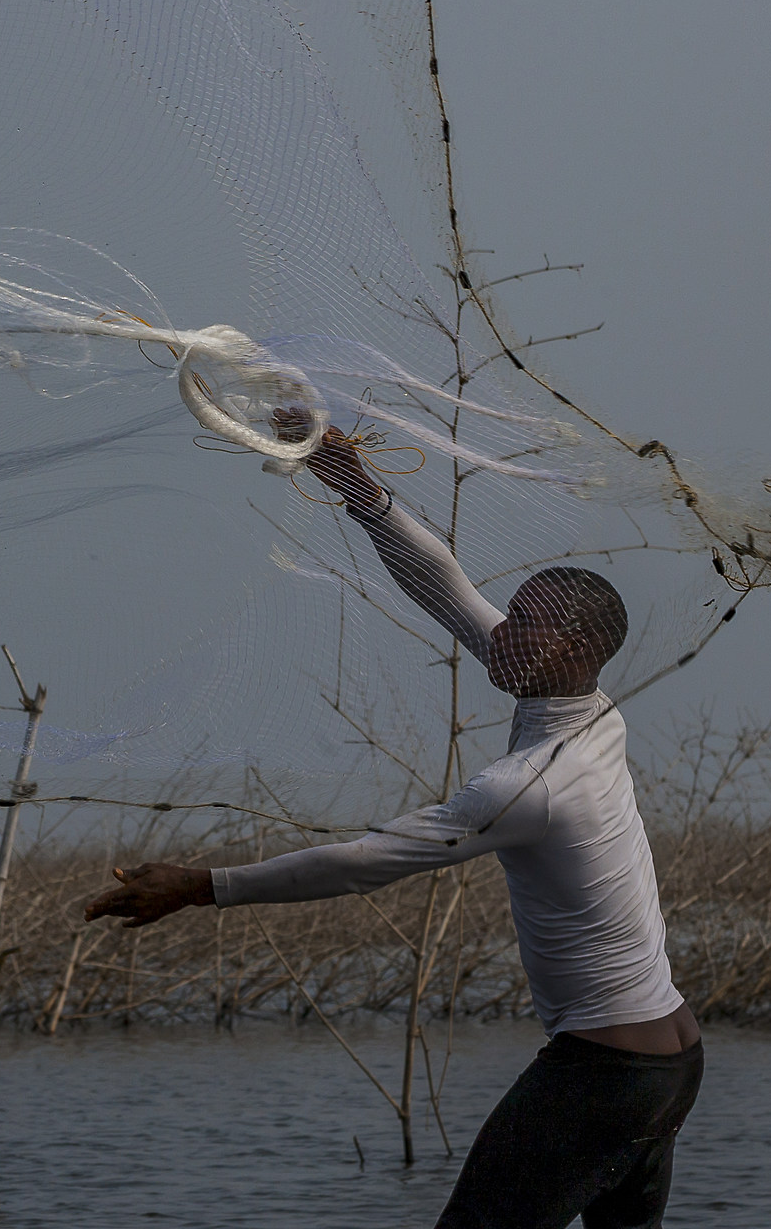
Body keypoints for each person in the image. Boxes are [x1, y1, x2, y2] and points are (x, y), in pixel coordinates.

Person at [84, 421, 703, 1229]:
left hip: (607, 1073)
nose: (501, 630)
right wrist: (359, 488)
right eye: (509, 614)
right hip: (671, 1064)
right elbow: (446, 588)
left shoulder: (532, 786)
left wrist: (203, 887)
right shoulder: (585, 708)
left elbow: (365, 861)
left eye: (525, 624)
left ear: (575, 646)